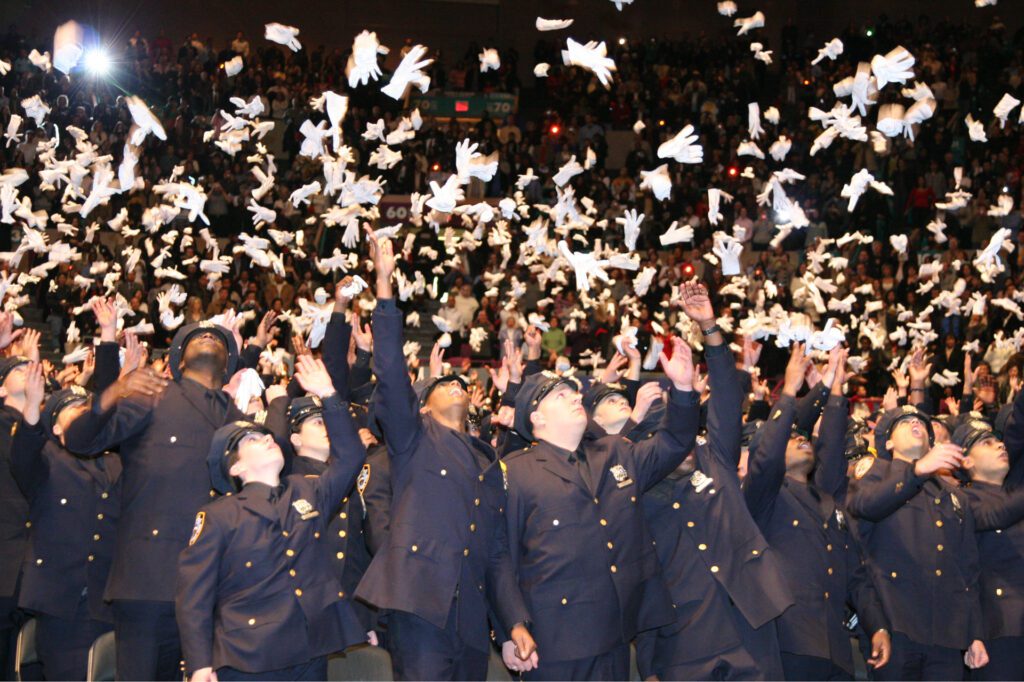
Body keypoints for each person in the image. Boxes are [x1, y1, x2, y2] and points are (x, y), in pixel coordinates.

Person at [61, 310, 277, 680]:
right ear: (177, 359)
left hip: (217, 586)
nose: (207, 337)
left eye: (217, 338)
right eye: (196, 336)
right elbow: (81, 440)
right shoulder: (153, 395)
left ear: (229, 364)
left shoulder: (238, 419)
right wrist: (111, 393)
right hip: (150, 578)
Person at [354, 233, 532, 680]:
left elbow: (495, 553)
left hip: (470, 616)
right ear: (422, 405)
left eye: (459, 382)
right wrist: (384, 286)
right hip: (420, 606)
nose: (454, 382)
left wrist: (513, 621)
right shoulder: (413, 437)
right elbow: (392, 373)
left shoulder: (487, 460)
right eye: (441, 384)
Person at [494, 329, 698, 680]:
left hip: (615, 633)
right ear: (537, 418)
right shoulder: (517, 471)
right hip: (553, 643)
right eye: (559, 395)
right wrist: (512, 625)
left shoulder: (616, 451)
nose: (574, 396)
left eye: (573, 391)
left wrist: (682, 390)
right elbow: (501, 556)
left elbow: (676, 441)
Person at [634, 283, 793, 681]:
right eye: (671, 440)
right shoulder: (636, 489)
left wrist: (709, 328)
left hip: (749, 623)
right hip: (682, 641)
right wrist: (650, 665)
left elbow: (724, 396)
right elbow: (638, 576)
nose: (683, 446)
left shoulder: (716, 456)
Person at [176, 354, 367, 681]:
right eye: (251, 439)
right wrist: (199, 663)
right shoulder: (220, 515)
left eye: (266, 435)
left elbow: (350, 458)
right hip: (249, 656)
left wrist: (330, 395)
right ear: (234, 467)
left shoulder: (306, 492)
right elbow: (194, 595)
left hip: (309, 649)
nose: (266, 437)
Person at [744, 346, 891, 680]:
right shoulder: (763, 496)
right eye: (791, 436)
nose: (801, 438)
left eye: (803, 435)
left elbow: (856, 576)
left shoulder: (825, 501)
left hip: (834, 649)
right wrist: (790, 391)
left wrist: (877, 626)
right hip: (786, 645)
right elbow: (766, 461)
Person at [846, 406, 990, 679]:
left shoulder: (953, 495)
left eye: (921, 423)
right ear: (887, 442)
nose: (916, 424)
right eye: (905, 422)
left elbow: (967, 571)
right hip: (895, 623)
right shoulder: (875, 471)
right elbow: (865, 505)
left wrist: (974, 634)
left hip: (946, 633)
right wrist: (917, 471)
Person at [954, 414, 1024, 680]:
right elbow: (996, 516)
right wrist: (973, 633)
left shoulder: (1014, 494)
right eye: (986, 442)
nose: (1000, 445)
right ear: (966, 461)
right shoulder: (962, 502)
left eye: (999, 440)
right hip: (1001, 626)